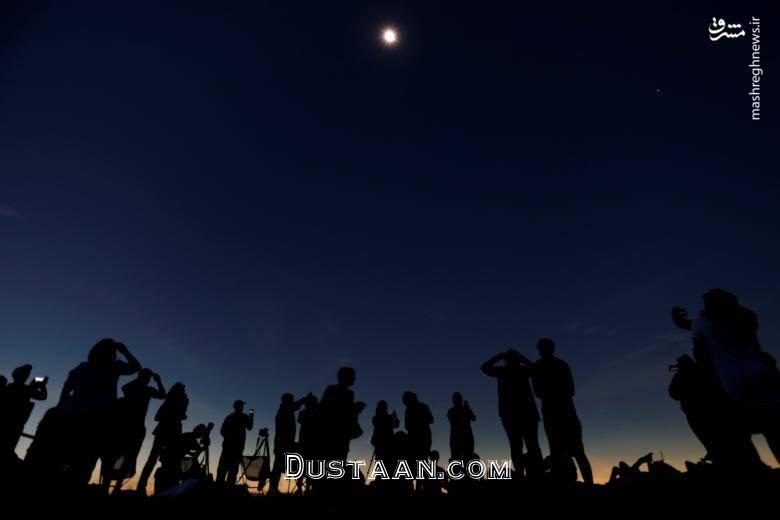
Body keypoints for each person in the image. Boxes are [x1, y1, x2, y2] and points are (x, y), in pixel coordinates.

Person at [58, 339, 141, 485]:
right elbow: (136, 367)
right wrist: (125, 351)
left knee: (68, 458)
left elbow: (68, 386)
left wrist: (60, 406)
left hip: (76, 416)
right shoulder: (114, 366)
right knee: (86, 461)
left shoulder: (83, 367)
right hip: (96, 420)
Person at [532, 338, 593, 485]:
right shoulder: (541, 367)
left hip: (566, 416)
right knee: (560, 454)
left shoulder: (559, 365)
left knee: (577, 453)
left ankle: (589, 484)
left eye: (543, 348)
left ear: (550, 349)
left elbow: (569, 390)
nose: (542, 351)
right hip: (555, 416)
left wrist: (551, 392)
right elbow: (539, 392)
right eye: (541, 349)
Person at [102, 369, 166, 494]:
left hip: (131, 427)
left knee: (124, 457)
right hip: (129, 427)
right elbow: (162, 395)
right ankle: (112, 486)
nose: (147, 379)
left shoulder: (135, 387)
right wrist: (158, 381)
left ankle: (111, 486)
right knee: (122, 456)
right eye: (146, 377)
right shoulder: (145, 390)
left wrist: (155, 381)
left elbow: (162, 396)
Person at [481, 349, 542, 478]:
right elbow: (484, 368)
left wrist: (514, 357)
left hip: (522, 414)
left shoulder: (520, 370)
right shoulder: (503, 371)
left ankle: (535, 473)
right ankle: (523, 473)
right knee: (519, 446)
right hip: (513, 414)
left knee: (528, 445)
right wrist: (501, 356)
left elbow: (538, 369)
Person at [136, 382, 188, 494]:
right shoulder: (178, 400)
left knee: (155, 459)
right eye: (182, 389)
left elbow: (158, 417)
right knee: (166, 460)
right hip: (170, 431)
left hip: (165, 431)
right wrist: (179, 416)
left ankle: (142, 485)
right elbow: (181, 415)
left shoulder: (171, 400)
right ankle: (163, 486)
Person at [0, 364, 48, 460]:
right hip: (14, 423)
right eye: (25, 374)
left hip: (14, 423)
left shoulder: (11, 388)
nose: (26, 377)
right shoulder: (26, 390)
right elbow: (42, 396)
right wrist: (42, 386)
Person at [319, 367, 366, 462]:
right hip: (334, 433)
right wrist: (354, 409)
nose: (354, 379)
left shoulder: (346, 392)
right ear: (346, 377)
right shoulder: (336, 390)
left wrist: (355, 410)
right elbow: (327, 409)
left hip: (338, 433)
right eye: (353, 376)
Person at [269, 393, 308, 494]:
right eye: (291, 400)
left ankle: (273, 488)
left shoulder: (286, 409)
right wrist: (305, 398)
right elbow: (296, 405)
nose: (293, 401)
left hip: (284, 443)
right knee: (278, 466)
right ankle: (273, 489)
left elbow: (295, 406)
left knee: (278, 465)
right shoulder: (285, 409)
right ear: (287, 401)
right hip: (283, 443)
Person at [216, 399, 253, 486]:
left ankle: (218, 488)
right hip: (236, 449)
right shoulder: (244, 417)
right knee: (231, 472)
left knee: (223, 471)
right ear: (238, 407)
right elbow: (250, 427)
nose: (242, 407)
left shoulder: (229, 417)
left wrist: (229, 437)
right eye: (241, 405)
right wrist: (251, 416)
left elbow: (222, 431)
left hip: (227, 448)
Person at [447, 392, 476, 461]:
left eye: (459, 399)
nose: (457, 400)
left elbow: (474, 418)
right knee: (456, 459)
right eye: (455, 399)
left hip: (466, 437)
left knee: (468, 458)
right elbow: (454, 422)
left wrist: (468, 408)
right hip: (456, 438)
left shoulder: (465, 409)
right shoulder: (451, 411)